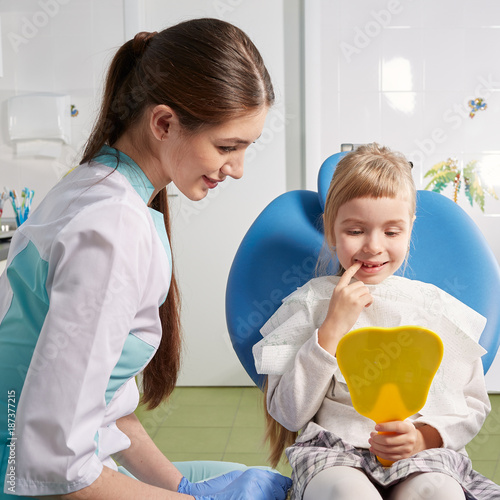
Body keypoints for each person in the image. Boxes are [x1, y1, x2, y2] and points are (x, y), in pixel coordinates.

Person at [0, 18, 291, 500]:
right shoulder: (112, 229)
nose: (237, 169)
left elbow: (106, 407)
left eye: (246, 149)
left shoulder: (96, 185)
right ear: (163, 123)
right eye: (227, 147)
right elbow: (55, 468)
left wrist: (180, 488)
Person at [253, 143, 500, 500]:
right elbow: (289, 413)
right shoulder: (310, 304)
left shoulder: (436, 308)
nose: (373, 246)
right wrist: (330, 330)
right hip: (334, 453)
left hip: (422, 457)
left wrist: (424, 437)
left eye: (392, 231)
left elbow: (472, 402)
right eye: (355, 231)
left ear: (410, 228)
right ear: (331, 228)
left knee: (440, 493)